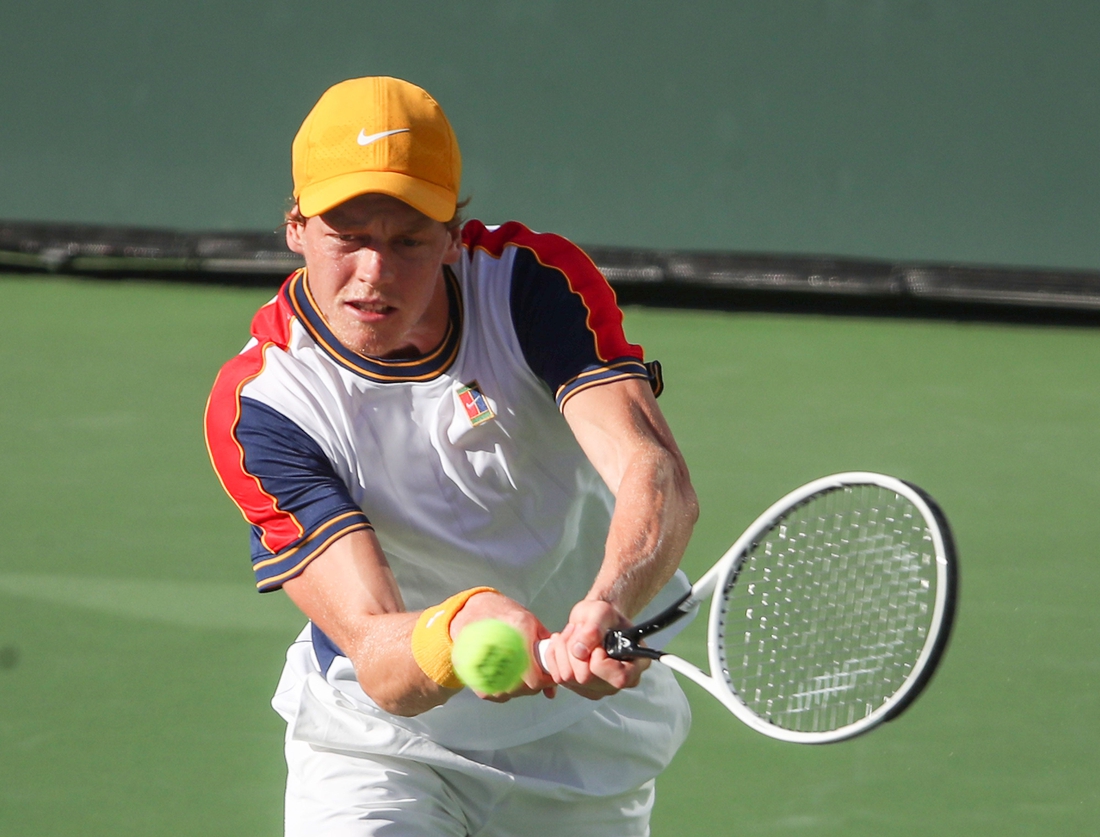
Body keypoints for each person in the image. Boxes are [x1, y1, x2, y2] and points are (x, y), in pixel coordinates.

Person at [204, 75, 699, 836]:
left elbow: (651, 470)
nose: (374, 272)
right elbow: (374, 647)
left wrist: (613, 597)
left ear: (452, 234)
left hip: (581, 752)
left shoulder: (530, 287)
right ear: (296, 226)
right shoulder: (266, 406)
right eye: (348, 236)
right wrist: (459, 625)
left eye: (407, 240)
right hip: (380, 749)